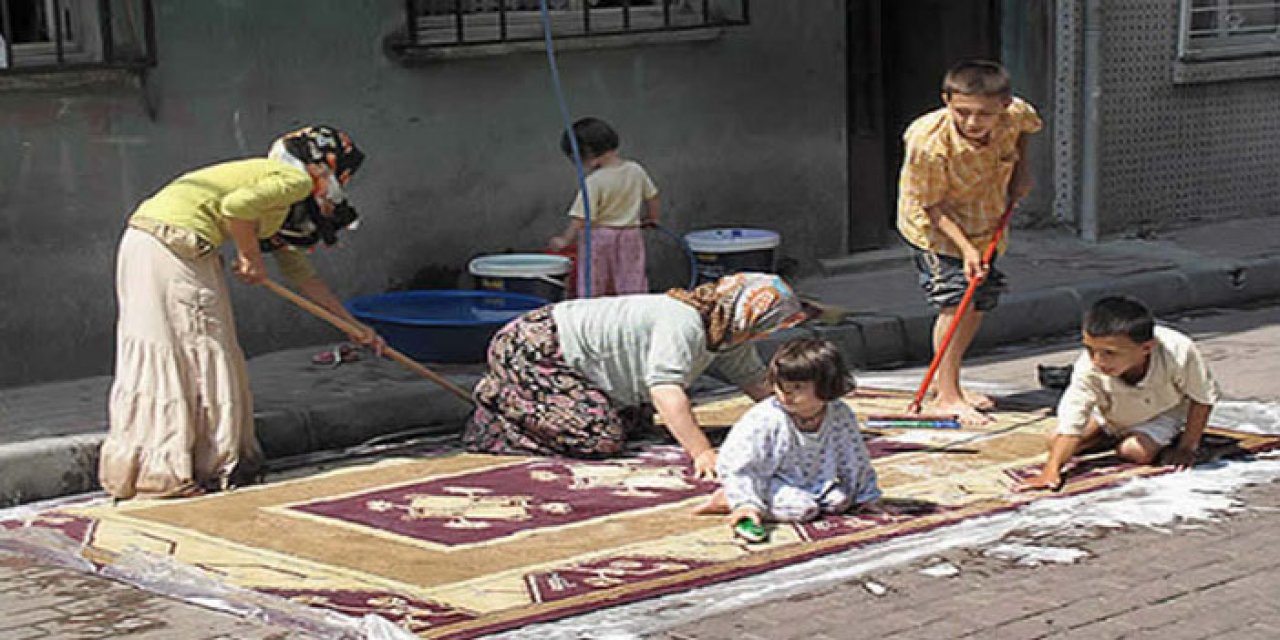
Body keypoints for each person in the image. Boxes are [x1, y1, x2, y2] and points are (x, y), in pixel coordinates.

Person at [99, 125, 385, 500]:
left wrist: (353, 327)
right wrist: (249, 257)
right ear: (325, 165)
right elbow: (235, 208)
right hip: (175, 248)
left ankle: (157, 469)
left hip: (147, 243)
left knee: (176, 352)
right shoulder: (292, 182)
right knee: (199, 351)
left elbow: (304, 277)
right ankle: (181, 472)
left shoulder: (276, 199)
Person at [462, 273, 812, 478]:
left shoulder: (727, 334)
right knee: (598, 438)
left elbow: (755, 380)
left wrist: (801, 413)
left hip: (584, 369)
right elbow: (666, 392)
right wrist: (702, 452)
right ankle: (498, 414)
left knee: (636, 427)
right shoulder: (684, 322)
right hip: (535, 348)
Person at [896, 59, 1042, 426]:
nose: (973, 123)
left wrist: (1022, 171)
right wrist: (966, 250)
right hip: (934, 228)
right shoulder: (927, 142)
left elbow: (1026, 130)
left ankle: (951, 383)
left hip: (985, 216)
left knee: (977, 301)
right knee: (955, 297)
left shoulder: (1016, 113)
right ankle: (947, 396)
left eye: (984, 115)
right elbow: (932, 206)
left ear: (1004, 106)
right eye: (962, 112)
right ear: (946, 100)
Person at [1018, 295, 1220, 492]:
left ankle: (1126, 438)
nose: (1098, 360)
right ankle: (1106, 435)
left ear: (1146, 348)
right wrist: (1051, 471)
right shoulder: (1088, 367)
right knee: (1055, 442)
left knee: (1135, 451)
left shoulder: (1179, 350)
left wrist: (1186, 447)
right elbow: (1072, 416)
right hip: (1109, 412)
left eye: (1110, 353)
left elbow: (1201, 398)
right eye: (1090, 349)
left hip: (1162, 412)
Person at [693, 338, 884, 530]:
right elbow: (744, 467)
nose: (786, 395)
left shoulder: (839, 413)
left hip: (809, 478)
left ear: (827, 386)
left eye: (797, 388)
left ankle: (765, 498)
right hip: (765, 477)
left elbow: (854, 457)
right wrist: (745, 503)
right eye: (781, 386)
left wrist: (866, 497)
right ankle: (730, 499)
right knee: (802, 509)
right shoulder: (766, 419)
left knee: (840, 501)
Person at [547, 117, 660, 297]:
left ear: (587, 153)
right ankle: (634, 314)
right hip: (631, 234)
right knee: (632, 278)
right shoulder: (635, 170)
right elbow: (652, 196)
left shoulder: (594, 181)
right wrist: (653, 219)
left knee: (594, 280)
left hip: (599, 237)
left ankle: (592, 314)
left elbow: (581, 218)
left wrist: (564, 240)